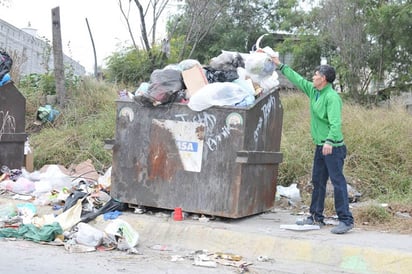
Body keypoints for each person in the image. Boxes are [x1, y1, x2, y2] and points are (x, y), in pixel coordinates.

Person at [271, 56, 354, 234]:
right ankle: (316, 217)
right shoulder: (314, 91)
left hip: (333, 147)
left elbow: (336, 124)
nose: (313, 77)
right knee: (318, 182)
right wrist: (280, 65)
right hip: (320, 146)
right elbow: (298, 79)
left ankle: (346, 220)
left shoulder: (331, 97)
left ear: (323, 78)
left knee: (338, 183)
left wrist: (330, 141)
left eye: (316, 74)